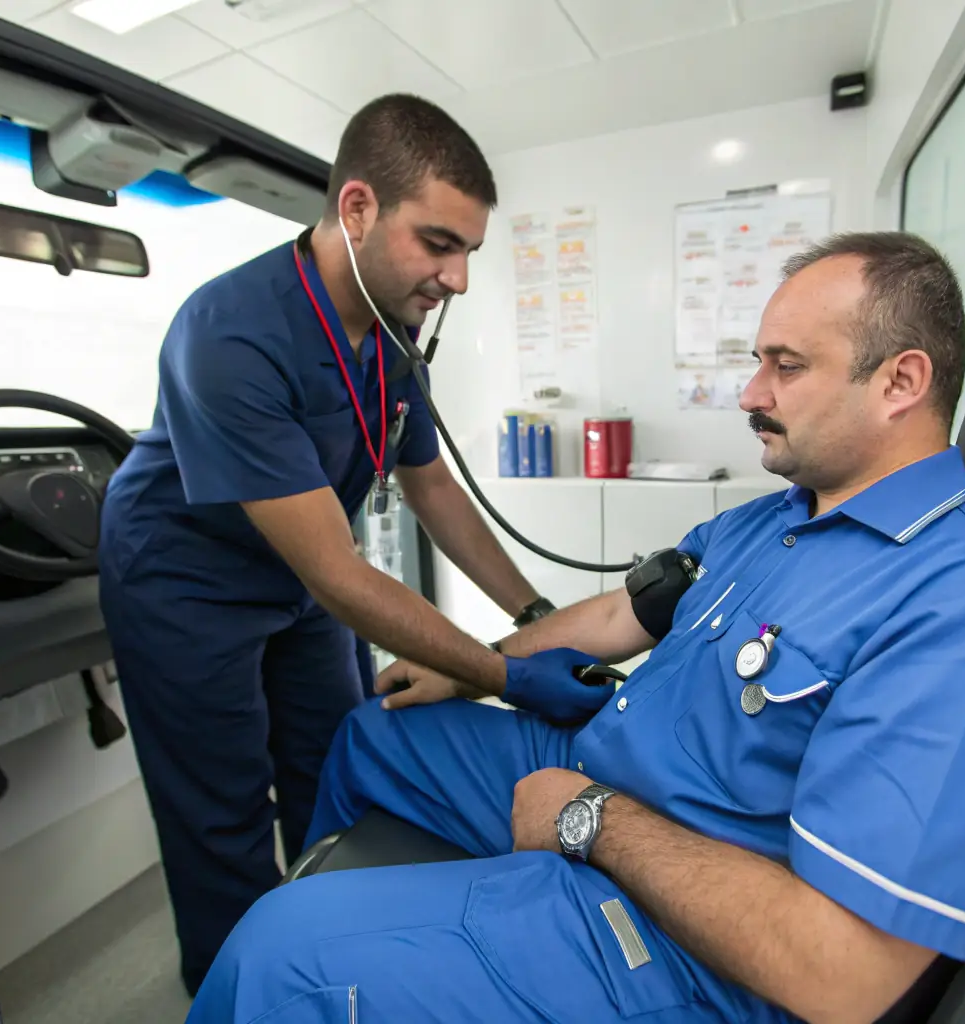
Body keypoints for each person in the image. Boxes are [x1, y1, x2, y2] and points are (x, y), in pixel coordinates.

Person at [185, 232, 965, 1024]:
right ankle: (414, 947)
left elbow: (842, 974)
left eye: (786, 366)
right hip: (605, 779)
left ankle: (380, 962)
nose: (751, 391)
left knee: (281, 948)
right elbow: (620, 615)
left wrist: (588, 820)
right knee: (374, 732)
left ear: (901, 381)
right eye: (758, 361)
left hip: (686, 926)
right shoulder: (775, 517)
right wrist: (474, 665)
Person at [97, 94, 555, 996]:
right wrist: (505, 671)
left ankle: (326, 961)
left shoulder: (392, 326)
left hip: (296, 579)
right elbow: (341, 574)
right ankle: (236, 994)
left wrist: (535, 615)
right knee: (221, 812)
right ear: (356, 209)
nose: (457, 278)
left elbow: (430, 485)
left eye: (468, 251)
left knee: (335, 760)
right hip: (183, 579)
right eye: (438, 243)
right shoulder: (229, 331)